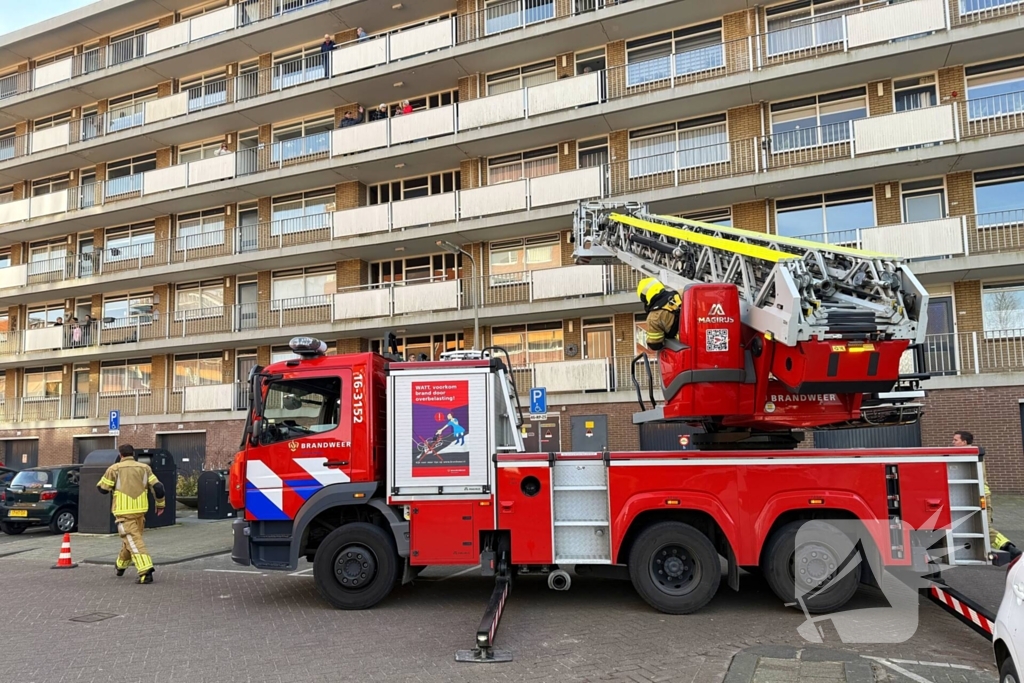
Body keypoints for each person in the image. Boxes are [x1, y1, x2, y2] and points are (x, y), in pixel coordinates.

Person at [97, 444, 166, 584]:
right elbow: (158, 487)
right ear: (133, 454)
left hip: (123, 512)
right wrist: (160, 504)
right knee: (130, 540)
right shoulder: (145, 468)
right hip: (140, 511)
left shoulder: (114, 468)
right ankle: (120, 566)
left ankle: (145, 571)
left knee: (134, 541)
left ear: (120, 455)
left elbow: (103, 488)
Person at [952, 431, 1017, 557]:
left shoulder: (970, 454)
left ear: (964, 442)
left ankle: (1011, 550)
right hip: (974, 495)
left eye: (955, 440)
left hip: (980, 495)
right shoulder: (972, 454)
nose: (953, 442)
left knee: (984, 529)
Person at [636, 277, 682, 351]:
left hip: (689, 348)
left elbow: (655, 344)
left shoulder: (653, 318)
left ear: (644, 298)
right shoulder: (683, 293)